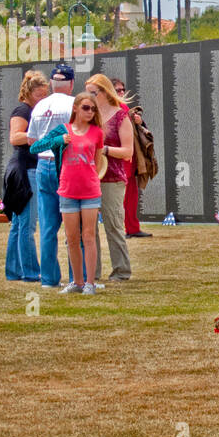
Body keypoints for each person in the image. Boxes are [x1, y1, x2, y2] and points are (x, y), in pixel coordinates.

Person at [27, 64, 76, 286]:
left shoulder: (39, 106)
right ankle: (78, 278)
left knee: (47, 226)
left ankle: (48, 278)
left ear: (51, 85)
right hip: (67, 164)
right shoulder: (75, 104)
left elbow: (32, 140)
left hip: (43, 165)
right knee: (74, 223)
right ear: (72, 84)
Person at [54, 92, 106, 294]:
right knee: (72, 237)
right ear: (75, 108)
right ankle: (76, 281)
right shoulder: (63, 131)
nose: (90, 112)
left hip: (90, 190)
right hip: (67, 189)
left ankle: (90, 283)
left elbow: (98, 161)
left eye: (93, 109)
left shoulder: (97, 133)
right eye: (86, 107)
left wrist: (92, 178)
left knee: (89, 236)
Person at [87, 74, 134, 282]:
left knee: (113, 224)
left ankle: (121, 270)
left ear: (105, 93)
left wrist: (104, 149)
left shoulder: (120, 116)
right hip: (89, 177)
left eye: (92, 93)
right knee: (88, 228)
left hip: (112, 178)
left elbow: (127, 151)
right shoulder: (89, 115)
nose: (88, 97)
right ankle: (92, 271)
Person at [6, 71, 50, 281]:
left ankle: (14, 271)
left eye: (45, 95)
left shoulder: (33, 109)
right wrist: (41, 135)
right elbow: (15, 137)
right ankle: (32, 272)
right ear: (29, 93)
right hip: (25, 169)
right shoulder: (23, 109)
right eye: (39, 96)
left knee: (18, 225)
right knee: (27, 224)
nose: (43, 99)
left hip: (24, 167)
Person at [115, 78, 152, 238]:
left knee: (131, 195)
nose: (122, 92)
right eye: (118, 90)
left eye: (123, 89)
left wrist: (139, 121)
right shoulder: (107, 109)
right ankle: (122, 229)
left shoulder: (124, 107)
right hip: (117, 160)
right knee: (118, 197)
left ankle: (132, 228)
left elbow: (139, 130)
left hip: (129, 158)